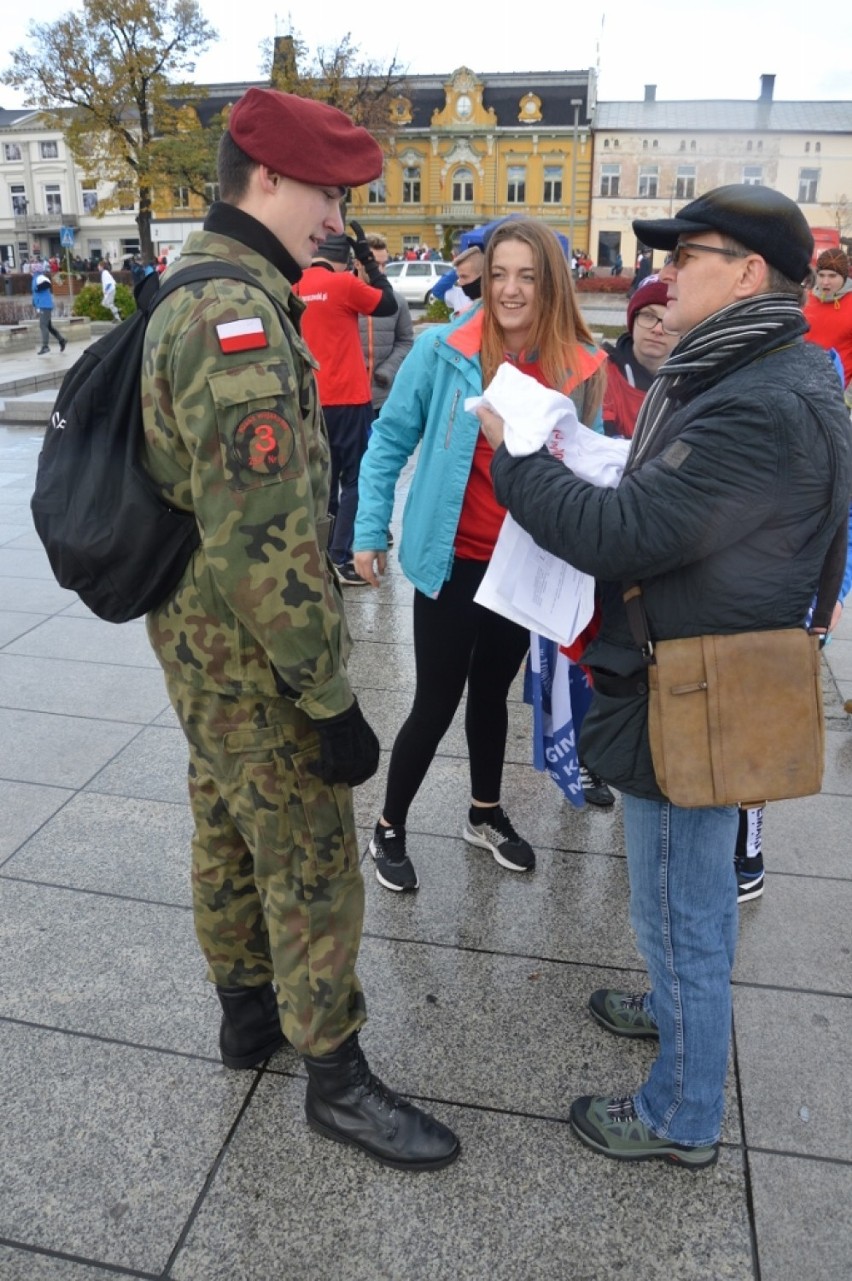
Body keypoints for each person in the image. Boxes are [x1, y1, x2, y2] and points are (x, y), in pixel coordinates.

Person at [478, 184, 852, 1167]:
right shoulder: (755, 368)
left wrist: (519, 455)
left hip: (702, 690)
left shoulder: (762, 397)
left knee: (681, 904)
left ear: (749, 274)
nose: (665, 270)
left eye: (691, 255)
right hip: (685, 667)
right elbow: (670, 503)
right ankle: (674, 1008)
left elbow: (623, 532)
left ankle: (682, 1114)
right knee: (678, 891)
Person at [139, 86, 459, 1172]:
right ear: (266, 180)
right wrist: (329, 699)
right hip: (253, 649)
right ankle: (338, 1080)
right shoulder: (238, 321)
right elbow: (265, 543)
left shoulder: (190, 284)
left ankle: (246, 1018)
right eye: (327, 191)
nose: (336, 215)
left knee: (226, 825)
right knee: (313, 855)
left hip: (196, 641)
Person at [353, 216, 607, 893]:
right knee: (435, 699)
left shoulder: (579, 365)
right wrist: (368, 529)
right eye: (498, 274)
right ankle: (388, 825)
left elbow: (591, 466)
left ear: (550, 282)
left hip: (524, 566)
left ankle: (485, 812)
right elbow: (388, 441)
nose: (510, 289)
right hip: (452, 557)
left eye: (526, 275)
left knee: (492, 694)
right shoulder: (443, 350)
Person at [295, 229, 397, 584]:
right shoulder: (342, 284)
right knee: (356, 479)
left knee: (325, 482)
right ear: (345, 260)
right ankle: (342, 557)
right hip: (350, 398)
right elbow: (388, 303)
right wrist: (367, 259)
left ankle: (324, 556)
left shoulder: (294, 284)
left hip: (311, 400)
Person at [602, 276, 678, 439]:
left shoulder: (694, 384)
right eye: (648, 316)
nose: (658, 329)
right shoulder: (601, 374)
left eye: (669, 320)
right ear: (632, 320)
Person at [803, 247, 852, 388]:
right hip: (804, 388)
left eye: (832, 276)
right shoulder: (806, 299)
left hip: (839, 393)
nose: (825, 282)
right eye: (821, 275)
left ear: (843, 277)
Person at [432, 245, 484, 316]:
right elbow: (437, 291)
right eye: (459, 277)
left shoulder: (495, 302)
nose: (460, 282)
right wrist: (458, 270)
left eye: (464, 277)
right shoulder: (459, 293)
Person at [31, 270, 66, 355]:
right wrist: (35, 305)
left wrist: (35, 305)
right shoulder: (39, 279)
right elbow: (36, 294)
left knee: (43, 325)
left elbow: (37, 290)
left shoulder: (38, 278)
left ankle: (45, 346)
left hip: (44, 306)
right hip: (45, 306)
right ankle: (61, 340)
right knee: (49, 326)